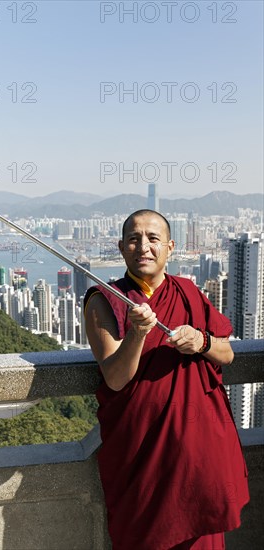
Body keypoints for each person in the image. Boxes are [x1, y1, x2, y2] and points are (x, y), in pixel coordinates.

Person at [84, 210, 249, 550]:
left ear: (170, 248)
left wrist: (201, 341)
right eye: (133, 239)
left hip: (199, 458)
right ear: (121, 247)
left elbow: (227, 354)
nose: (143, 246)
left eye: (153, 239)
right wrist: (139, 332)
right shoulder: (105, 301)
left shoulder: (188, 291)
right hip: (143, 459)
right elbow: (115, 378)